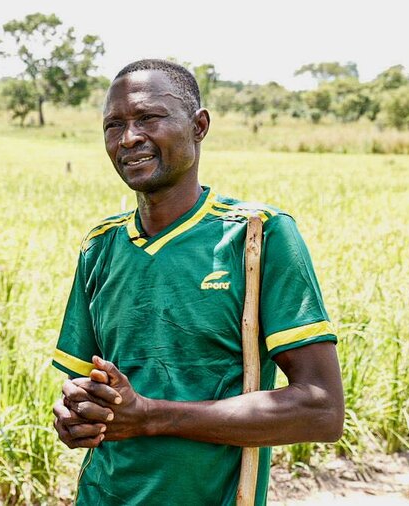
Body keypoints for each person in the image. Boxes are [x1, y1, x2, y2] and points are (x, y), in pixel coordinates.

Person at [49, 59, 344, 505]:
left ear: (199, 125)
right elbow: (87, 391)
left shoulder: (256, 236)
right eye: (114, 125)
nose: (129, 138)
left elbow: (321, 410)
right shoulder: (101, 246)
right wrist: (77, 414)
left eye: (148, 118)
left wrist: (151, 416)